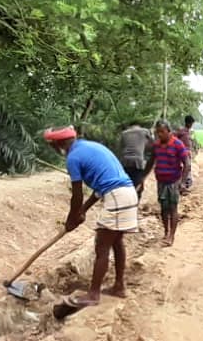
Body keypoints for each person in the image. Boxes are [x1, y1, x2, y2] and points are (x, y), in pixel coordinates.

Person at [43, 126, 138, 310]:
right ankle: (119, 286)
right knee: (116, 242)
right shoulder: (90, 147)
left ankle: (93, 294)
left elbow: (76, 195)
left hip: (117, 196)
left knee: (101, 245)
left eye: (52, 146)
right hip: (128, 192)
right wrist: (82, 211)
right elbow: (97, 189)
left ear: (59, 144)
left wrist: (71, 219)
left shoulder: (73, 158)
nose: (53, 149)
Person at [144, 120, 190, 247]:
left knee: (173, 207)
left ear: (169, 132)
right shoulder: (156, 145)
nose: (160, 135)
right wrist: (142, 178)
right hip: (161, 181)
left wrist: (182, 182)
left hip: (174, 181)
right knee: (164, 208)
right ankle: (166, 232)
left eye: (162, 132)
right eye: (158, 132)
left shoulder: (178, 144)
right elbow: (150, 162)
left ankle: (171, 236)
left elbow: (187, 163)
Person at [119, 120, 153, 198]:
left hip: (124, 162)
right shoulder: (144, 131)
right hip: (138, 162)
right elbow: (151, 145)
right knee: (138, 184)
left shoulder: (124, 133)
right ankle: (135, 201)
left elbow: (121, 148)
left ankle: (127, 200)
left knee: (126, 184)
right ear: (138, 125)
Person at [175, 115, 198, 194]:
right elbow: (174, 138)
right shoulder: (181, 130)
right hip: (182, 152)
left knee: (187, 169)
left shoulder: (188, 131)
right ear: (188, 123)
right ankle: (181, 185)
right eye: (191, 123)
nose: (191, 125)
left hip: (187, 153)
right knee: (186, 167)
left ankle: (183, 185)